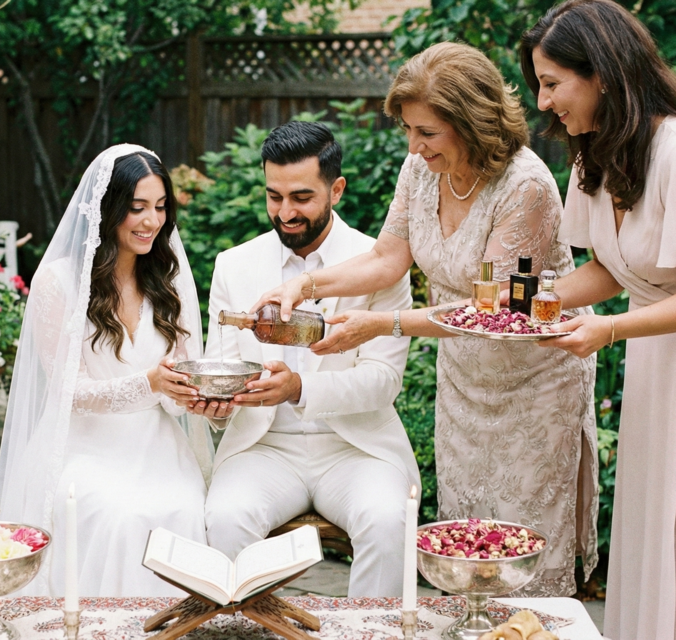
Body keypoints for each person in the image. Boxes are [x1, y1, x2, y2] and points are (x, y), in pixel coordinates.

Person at [254, 43, 598, 596]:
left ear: (472, 121)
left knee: (518, 551)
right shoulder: (420, 170)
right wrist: (305, 284)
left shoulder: (525, 186)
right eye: (409, 131)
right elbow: (389, 257)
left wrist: (382, 326)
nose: (413, 146)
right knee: (466, 545)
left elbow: (497, 312)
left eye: (428, 133)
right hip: (464, 381)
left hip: (536, 385)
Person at [194, 121, 420, 597]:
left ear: (335, 188)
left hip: (357, 449)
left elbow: (382, 382)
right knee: (225, 518)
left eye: (301, 197)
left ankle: (369, 635)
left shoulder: (381, 263)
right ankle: (253, 632)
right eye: (274, 197)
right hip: (264, 447)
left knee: (387, 520)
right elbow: (224, 367)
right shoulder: (234, 265)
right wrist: (217, 406)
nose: (285, 212)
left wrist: (299, 388)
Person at [0, 144, 213, 597]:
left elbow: (183, 378)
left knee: (185, 508)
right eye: (137, 208)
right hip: (82, 447)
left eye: (159, 207)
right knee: (118, 516)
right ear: (109, 207)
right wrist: (147, 382)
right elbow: (68, 391)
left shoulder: (168, 280)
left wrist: (192, 393)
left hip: (157, 446)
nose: (152, 221)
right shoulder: (58, 282)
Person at [520, 1, 676, 635]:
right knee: (648, 518)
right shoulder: (592, 158)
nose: (543, 100)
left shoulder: (673, 149)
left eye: (552, 82)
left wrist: (608, 329)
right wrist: (523, 306)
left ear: (603, 74)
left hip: (653, 344)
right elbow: (613, 270)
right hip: (651, 361)